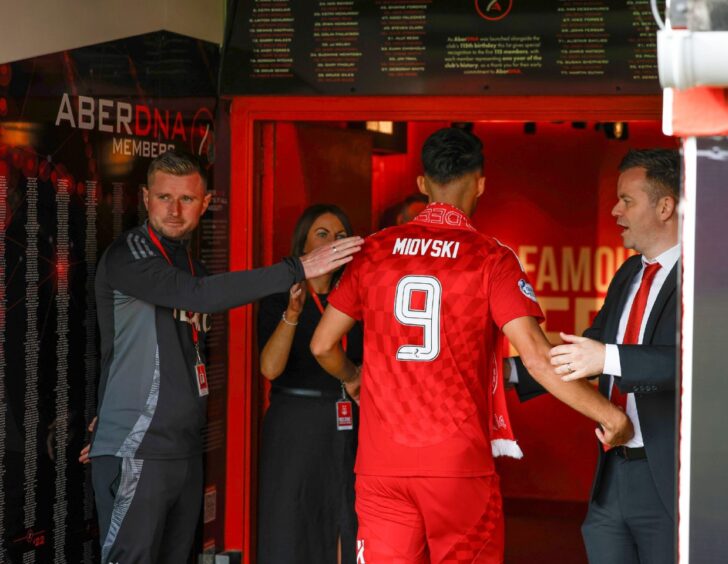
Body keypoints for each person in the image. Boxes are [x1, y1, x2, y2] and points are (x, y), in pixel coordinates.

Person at [310, 127, 632, 563]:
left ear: (423, 185)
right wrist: (608, 415)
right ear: (480, 183)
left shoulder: (375, 251)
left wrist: (354, 378)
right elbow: (536, 359)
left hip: (381, 465)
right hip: (456, 467)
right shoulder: (489, 258)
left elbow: (323, 344)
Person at [86, 151, 362, 564]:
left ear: (205, 202)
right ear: (145, 198)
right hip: (139, 447)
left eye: (187, 200)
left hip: (182, 447)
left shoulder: (188, 263)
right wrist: (297, 268)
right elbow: (200, 296)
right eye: (164, 197)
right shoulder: (130, 254)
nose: (175, 211)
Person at [513, 148, 680, 564]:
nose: (614, 211)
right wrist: (510, 372)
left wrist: (608, 358)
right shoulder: (627, 273)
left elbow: (695, 362)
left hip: (670, 482)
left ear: (665, 206)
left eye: (627, 200)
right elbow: (585, 352)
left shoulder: (705, 273)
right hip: (612, 475)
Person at [256, 204, 363, 564]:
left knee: (348, 519)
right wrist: (293, 314)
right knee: (291, 522)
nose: (333, 242)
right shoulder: (280, 292)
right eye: (323, 234)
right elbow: (270, 369)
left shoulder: (357, 296)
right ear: (303, 242)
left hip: (348, 421)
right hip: (295, 423)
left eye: (341, 236)